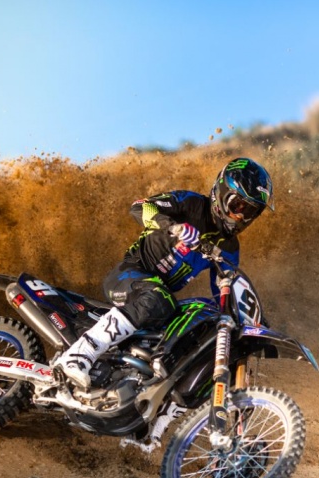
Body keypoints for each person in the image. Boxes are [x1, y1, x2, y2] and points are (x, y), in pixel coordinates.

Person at [52, 157, 274, 390]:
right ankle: (79, 355)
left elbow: (224, 293)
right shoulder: (191, 204)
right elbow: (140, 206)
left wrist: (251, 325)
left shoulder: (230, 248)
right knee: (159, 299)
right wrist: (173, 227)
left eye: (251, 212)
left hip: (159, 296)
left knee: (201, 316)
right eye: (238, 206)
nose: (241, 217)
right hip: (129, 274)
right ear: (221, 192)